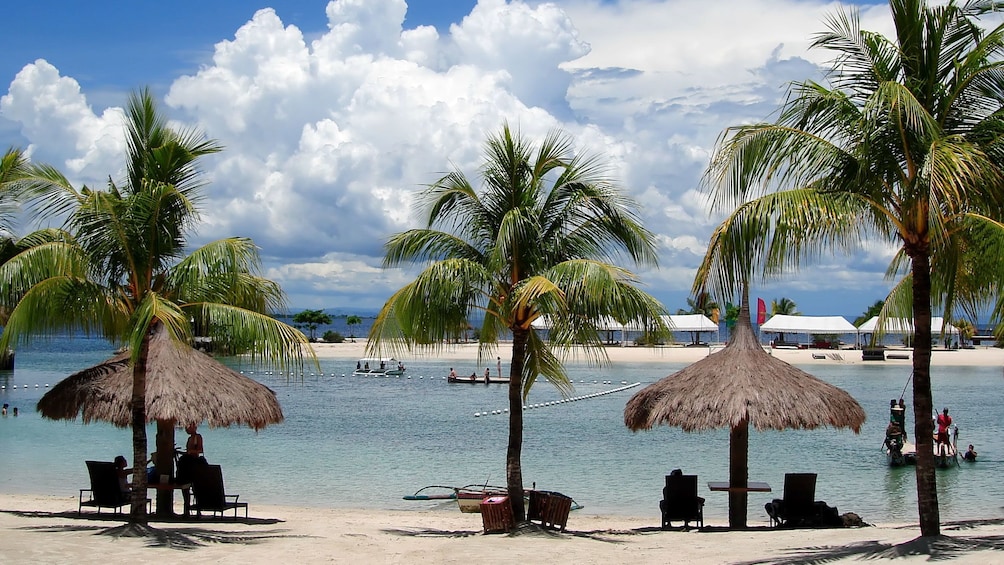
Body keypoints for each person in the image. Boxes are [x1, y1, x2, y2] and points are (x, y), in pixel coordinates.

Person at [176, 423, 208, 514]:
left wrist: (190, 452)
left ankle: (197, 509)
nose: (186, 429)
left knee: (195, 488)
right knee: (185, 486)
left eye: (188, 428)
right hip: (188, 462)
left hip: (194, 463)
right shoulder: (190, 438)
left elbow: (200, 450)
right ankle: (187, 508)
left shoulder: (197, 437)